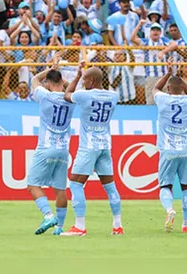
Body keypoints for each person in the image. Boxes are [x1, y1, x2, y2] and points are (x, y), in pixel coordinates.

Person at [61, 61, 122, 236]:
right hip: (105, 145)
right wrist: (82, 76)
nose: (83, 83)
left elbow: (67, 95)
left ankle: (79, 226)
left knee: (75, 184)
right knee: (110, 186)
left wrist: (78, 75)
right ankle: (117, 225)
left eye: (85, 80)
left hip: (88, 146)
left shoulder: (84, 96)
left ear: (92, 81)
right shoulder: (113, 96)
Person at [27, 55, 75, 236]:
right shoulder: (70, 99)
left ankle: (48, 215)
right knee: (60, 189)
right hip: (63, 150)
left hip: (46, 147)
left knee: (32, 185)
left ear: (48, 83)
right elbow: (72, 86)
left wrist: (50, 68)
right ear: (62, 82)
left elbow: (34, 79)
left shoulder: (45, 96)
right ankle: (60, 227)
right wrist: (60, 74)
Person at [152, 59, 187, 233]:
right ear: (182, 88)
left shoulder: (162, 99)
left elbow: (155, 88)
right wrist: (179, 77)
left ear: (168, 89)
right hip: (186, 151)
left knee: (165, 186)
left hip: (168, 150)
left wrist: (169, 73)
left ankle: (170, 210)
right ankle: (186, 225)